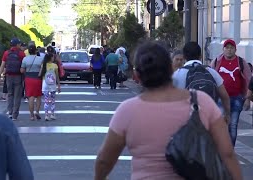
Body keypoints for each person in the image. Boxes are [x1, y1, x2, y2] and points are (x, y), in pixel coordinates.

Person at [94, 41, 242, 180]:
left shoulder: (127, 111)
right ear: (170, 68)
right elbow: (227, 154)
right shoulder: (202, 101)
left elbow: (104, 161)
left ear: (137, 76)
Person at [173, 42, 231, 124]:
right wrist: (227, 114)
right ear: (200, 56)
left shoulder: (178, 74)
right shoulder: (211, 72)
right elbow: (225, 96)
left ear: (184, 57)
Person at [210, 39, 251, 147]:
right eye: (227, 48)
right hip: (220, 99)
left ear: (235, 50)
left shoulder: (241, 62)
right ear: (223, 49)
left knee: (233, 125)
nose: (229, 50)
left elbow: (249, 80)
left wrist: (247, 98)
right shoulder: (216, 62)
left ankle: (230, 151)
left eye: (231, 48)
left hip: (236, 98)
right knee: (222, 124)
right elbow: (210, 77)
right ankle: (222, 149)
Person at [0, 38, 25, 121]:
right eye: (19, 44)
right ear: (17, 45)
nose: (20, 45)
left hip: (8, 76)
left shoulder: (6, 53)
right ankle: (15, 115)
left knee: (10, 94)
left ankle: (10, 112)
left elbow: (2, 65)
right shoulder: (21, 54)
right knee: (17, 96)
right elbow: (24, 66)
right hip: (18, 77)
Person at [21, 45, 44, 120]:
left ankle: (31, 115)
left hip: (28, 79)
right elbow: (43, 69)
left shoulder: (25, 59)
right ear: (36, 51)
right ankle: (37, 111)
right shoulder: (40, 59)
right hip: (38, 78)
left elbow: (22, 70)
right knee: (38, 96)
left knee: (30, 97)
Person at [39, 53, 61, 121]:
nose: (54, 58)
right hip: (52, 85)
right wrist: (59, 85)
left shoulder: (43, 65)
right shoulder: (55, 66)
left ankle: (46, 115)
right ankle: (52, 114)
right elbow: (57, 76)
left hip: (45, 84)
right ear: (51, 58)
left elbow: (39, 74)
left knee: (46, 100)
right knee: (52, 100)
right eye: (53, 57)